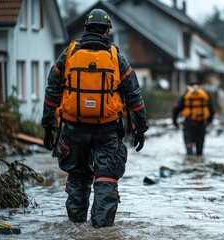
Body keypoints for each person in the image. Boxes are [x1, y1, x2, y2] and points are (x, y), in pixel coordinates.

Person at [41, 9, 149, 228]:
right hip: (107, 130)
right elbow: (134, 95)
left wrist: (48, 126)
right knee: (106, 179)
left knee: (78, 176)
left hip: (74, 129)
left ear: (85, 29)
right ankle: (100, 230)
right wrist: (140, 128)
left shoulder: (69, 53)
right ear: (107, 31)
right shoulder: (116, 56)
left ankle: (76, 227)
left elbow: (52, 90)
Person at [172, 82, 215, 156]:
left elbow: (176, 109)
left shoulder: (187, 94)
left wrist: (175, 122)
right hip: (202, 123)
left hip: (189, 122)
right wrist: (208, 121)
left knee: (188, 140)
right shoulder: (204, 94)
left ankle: (190, 158)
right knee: (200, 143)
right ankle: (199, 160)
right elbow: (212, 110)